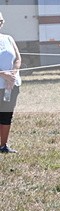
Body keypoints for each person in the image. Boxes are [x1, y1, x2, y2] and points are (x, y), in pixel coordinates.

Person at [0, 12, 21, 153]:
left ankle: (3, 145)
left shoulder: (8, 38)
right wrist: (3, 74)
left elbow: (18, 58)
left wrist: (12, 74)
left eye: (0, 21)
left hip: (11, 85)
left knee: (7, 115)